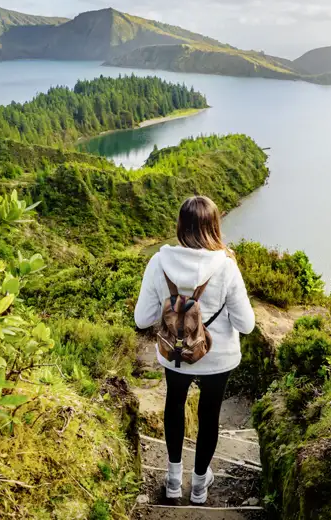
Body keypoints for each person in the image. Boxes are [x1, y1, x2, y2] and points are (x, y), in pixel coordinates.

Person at [134, 196, 256, 504]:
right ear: (213, 227)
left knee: (174, 404)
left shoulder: (159, 262)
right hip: (218, 357)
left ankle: (174, 481)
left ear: (180, 225)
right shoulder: (226, 266)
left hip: (175, 354)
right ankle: (200, 486)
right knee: (210, 414)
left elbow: (142, 318)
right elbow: (246, 324)